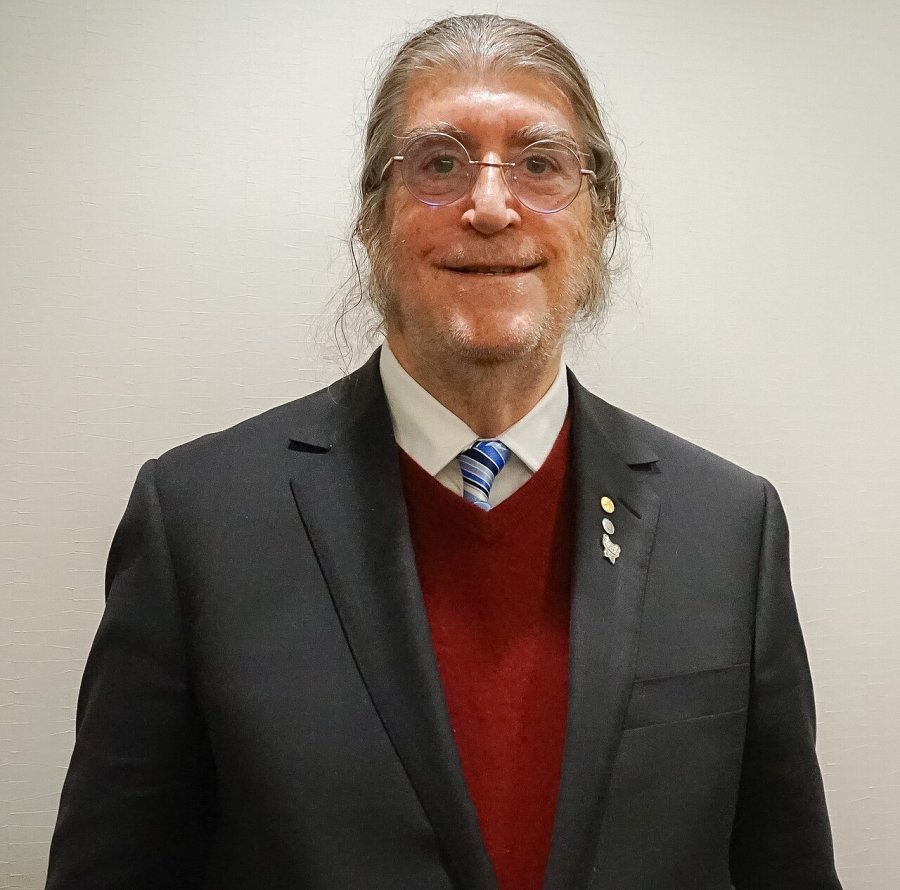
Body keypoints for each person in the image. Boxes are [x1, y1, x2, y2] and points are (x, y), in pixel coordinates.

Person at [45, 14, 842, 890]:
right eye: (438, 163)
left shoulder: (727, 530)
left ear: (601, 216)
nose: (491, 206)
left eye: (540, 164)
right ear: (372, 218)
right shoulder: (199, 524)